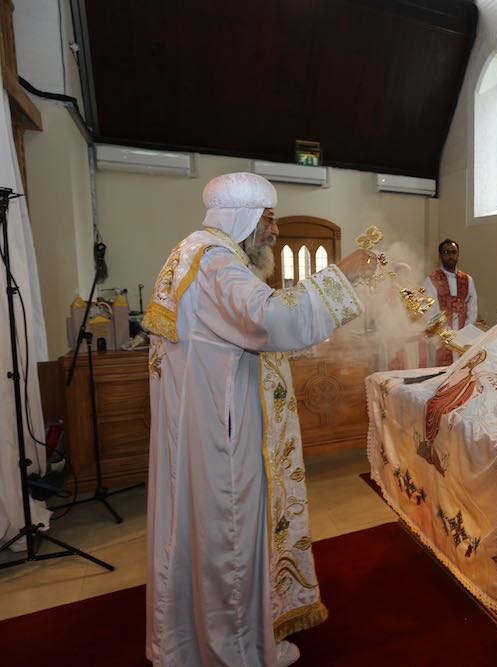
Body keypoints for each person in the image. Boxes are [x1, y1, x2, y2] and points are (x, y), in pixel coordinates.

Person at [143, 172, 375, 666]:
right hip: (223, 428)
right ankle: (235, 651)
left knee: (206, 533)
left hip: (204, 420)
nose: (274, 231)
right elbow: (268, 319)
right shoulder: (215, 258)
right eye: (268, 218)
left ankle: (202, 641)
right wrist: (343, 275)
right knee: (229, 533)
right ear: (242, 216)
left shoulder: (193, 252)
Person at [423, 239, 478, 366]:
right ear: (440, 255)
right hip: (441, 336)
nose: (450, 256)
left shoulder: (467, 279)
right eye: (446, 252)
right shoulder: (432, 279)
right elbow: (431, 309)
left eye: (453, 252)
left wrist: (466, 332)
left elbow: (472, 307)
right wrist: (445, 333)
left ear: (458, 255)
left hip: (464, 335)